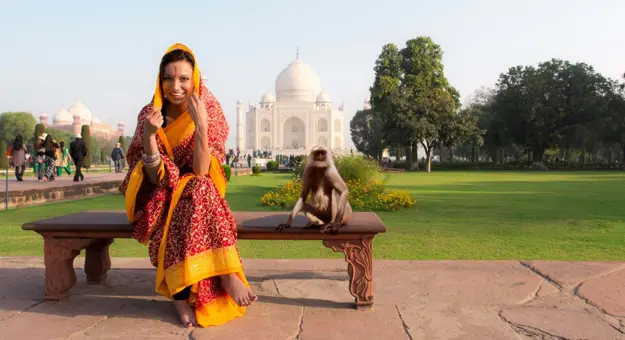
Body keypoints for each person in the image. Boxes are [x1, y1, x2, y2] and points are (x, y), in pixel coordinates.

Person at [119, 43, 257, 329]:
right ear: (160, 80)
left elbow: (204, 170)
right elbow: (152, 178)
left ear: (194, 79)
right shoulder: (151, 113)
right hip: (160, 196)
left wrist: (202, 125)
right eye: (168, 78)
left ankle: (186, 296)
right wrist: (148, 137)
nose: (176, 86)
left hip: (197, 193)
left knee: (198, 187)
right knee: (192, 194)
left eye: (183, 78)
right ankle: (225, 272)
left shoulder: (208, 108)